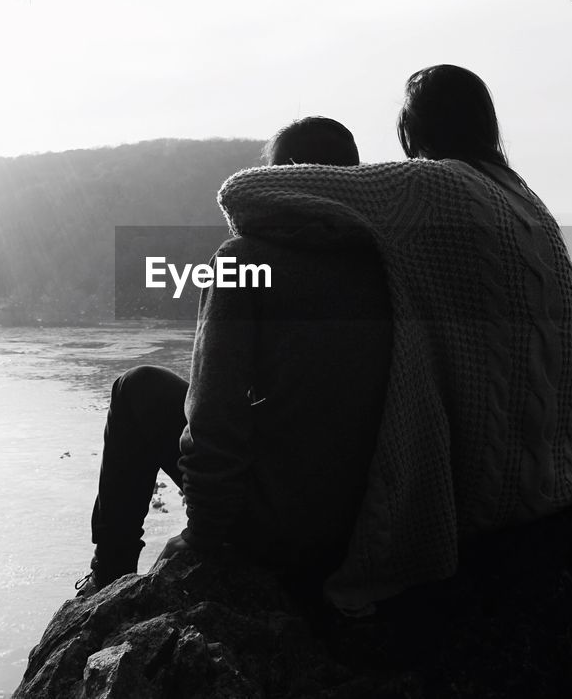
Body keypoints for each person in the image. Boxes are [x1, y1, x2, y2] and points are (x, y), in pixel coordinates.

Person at [218, 64, 572, 613]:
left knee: (140, 393)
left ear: (410, 129)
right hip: (567, 472)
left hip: (492, 497)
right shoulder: (525, 200)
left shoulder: (432, 186)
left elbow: (248, 192)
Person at [79, 117, 391, 594]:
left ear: (272, 182)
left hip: (277, 532)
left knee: (136, 387)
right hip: (365, 526)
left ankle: (109, 576)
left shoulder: (243, 261)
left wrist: (202, 536)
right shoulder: (388, 263)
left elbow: (213, 411)